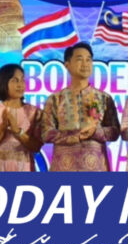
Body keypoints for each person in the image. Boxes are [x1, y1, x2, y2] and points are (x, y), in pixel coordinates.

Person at [41, 42, 119, 171]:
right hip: (64, 168)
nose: (85, 64)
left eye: (88, 60)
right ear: (67, 65)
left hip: (96, 168)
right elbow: (45, 133)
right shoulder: (55, 99)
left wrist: (95, 132)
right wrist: (74, 136)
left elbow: (115, 132)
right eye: (79, 59)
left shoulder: (104, 98)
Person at [0, 63, 43, 171]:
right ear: (3, 82)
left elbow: (36, 147)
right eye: (15, 80)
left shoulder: (34, 112)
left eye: (22, 80)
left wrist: (18, 131)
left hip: (24, 169)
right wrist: (3, 127)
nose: (20, 85)